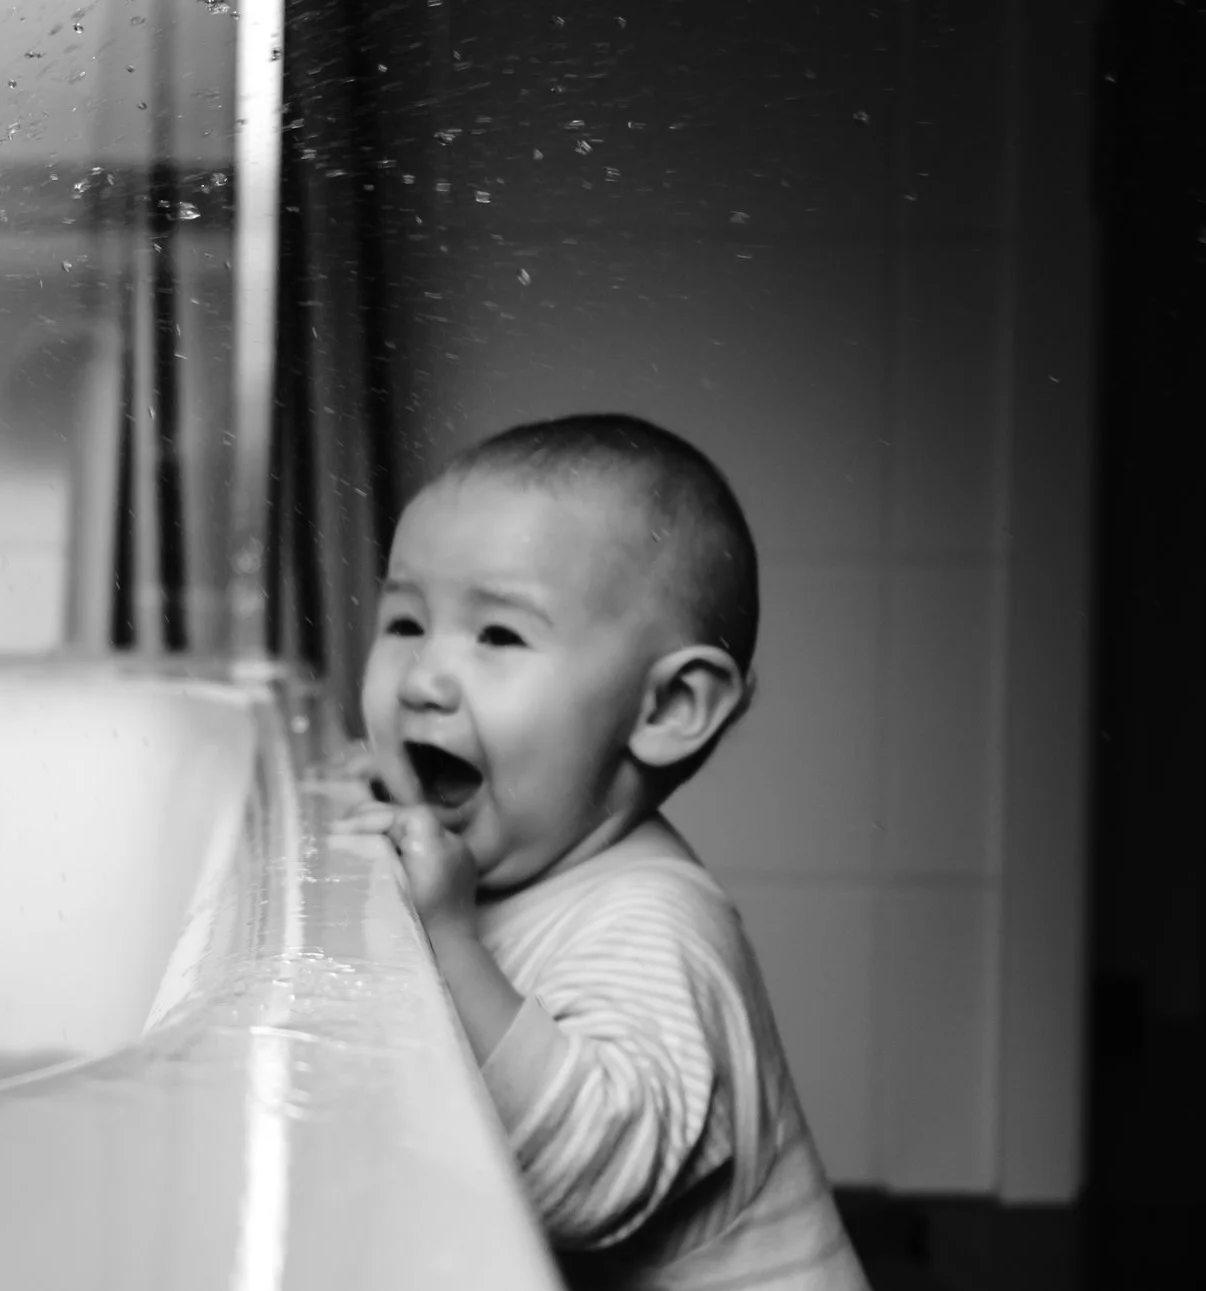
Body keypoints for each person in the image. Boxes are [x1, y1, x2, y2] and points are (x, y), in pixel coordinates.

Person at [347, 413, 867, 1288]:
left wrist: (450, 939)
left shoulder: (657, 923)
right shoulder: (523, 858)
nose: (424, 680)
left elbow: (585, 1182)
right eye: (404, 621)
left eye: (498, 636)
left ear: (666, 708)